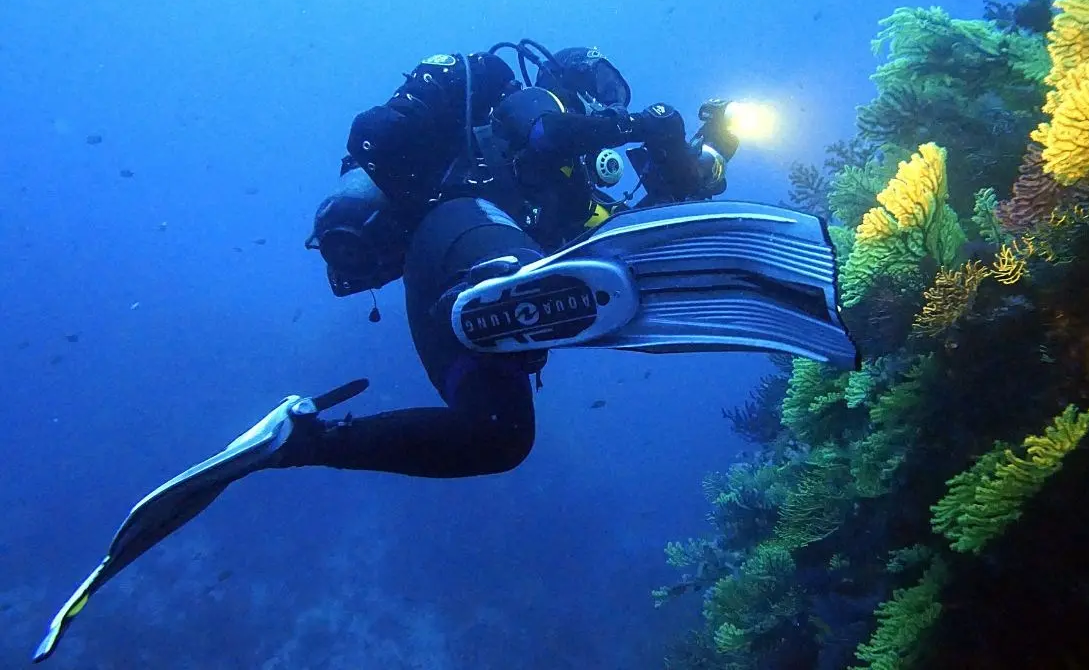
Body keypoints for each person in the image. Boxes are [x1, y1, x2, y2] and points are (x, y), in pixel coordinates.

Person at [33, 40, 859, 663]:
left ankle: (299, 443)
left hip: (449, 310)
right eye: (605, 87)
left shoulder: (577, 187)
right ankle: (505, 290)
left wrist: (705, 146)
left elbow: (675, 205)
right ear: (579, 77)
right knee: (507, 257)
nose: (613, 104)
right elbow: (542, 141)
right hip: (461, 239)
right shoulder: (531, 102)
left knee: (501, 438)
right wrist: (631, 118)